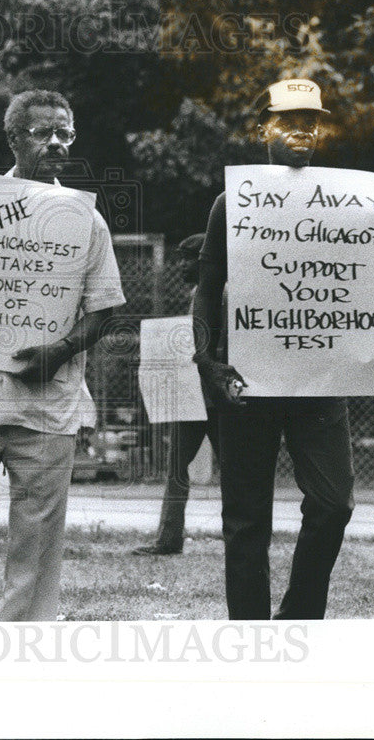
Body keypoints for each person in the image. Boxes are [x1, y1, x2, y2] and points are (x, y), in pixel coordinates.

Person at [193, 78, 374, 620]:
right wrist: (208, 361)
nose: (302, 129)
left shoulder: (357, 202)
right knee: (246, 519)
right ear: (264, 127)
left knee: (334, 503)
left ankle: (299, 621)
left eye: (311, 120)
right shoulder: (235, 201)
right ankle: (250, 634)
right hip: (249, 381)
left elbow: (371, 284)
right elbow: (206, 287)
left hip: (321, 383)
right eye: (289, 119)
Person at [0, 89, 125, 622]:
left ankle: (23, 639)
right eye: (44, 133)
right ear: (13, 138)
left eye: (66, 133)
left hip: (46, 401)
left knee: (36, 532)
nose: (58, 143)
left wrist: (60, 350)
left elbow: (103, 309)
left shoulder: (86, 219)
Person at [132, 233, 221, 556]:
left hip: (213, 396)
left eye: (187, 257)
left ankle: (170, 539)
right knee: (178, 467)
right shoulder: (202, 291)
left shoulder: (218, 292)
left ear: (204, 260)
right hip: (197, 394)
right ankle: (169, 539)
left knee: (180, 468)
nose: (181, 264)